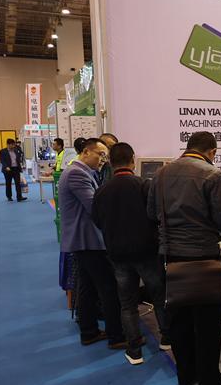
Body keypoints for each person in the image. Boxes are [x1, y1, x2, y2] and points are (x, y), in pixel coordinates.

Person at [147, 131, 221, 385]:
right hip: (204, 259)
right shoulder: (213, 175)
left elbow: (151, 214)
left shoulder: (161, 174)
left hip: (171, 259)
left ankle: (186, 375)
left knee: (179, 322)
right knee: (208, 326)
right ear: (212, 151)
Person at [92, 142, 170, 365]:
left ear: (111, 162)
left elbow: (97, 220)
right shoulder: (144, 186)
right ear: (133, 160)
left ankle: (135, 350)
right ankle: (167, 339)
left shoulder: (101, 191)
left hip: (118, 255)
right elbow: (158, 216)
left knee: (127, 304)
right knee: (159, 297)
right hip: (147, 252)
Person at [58, 138, 125, 347]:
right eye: (100, 154)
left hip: (84, 240)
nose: (103, 160)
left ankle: (89, 332)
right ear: (86, 152)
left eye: (106, 156)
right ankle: (117, 336)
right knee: (108, 287)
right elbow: (95, 206)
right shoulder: (77, 173)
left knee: (87, 287)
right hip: (88, 240)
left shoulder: (81, 172)